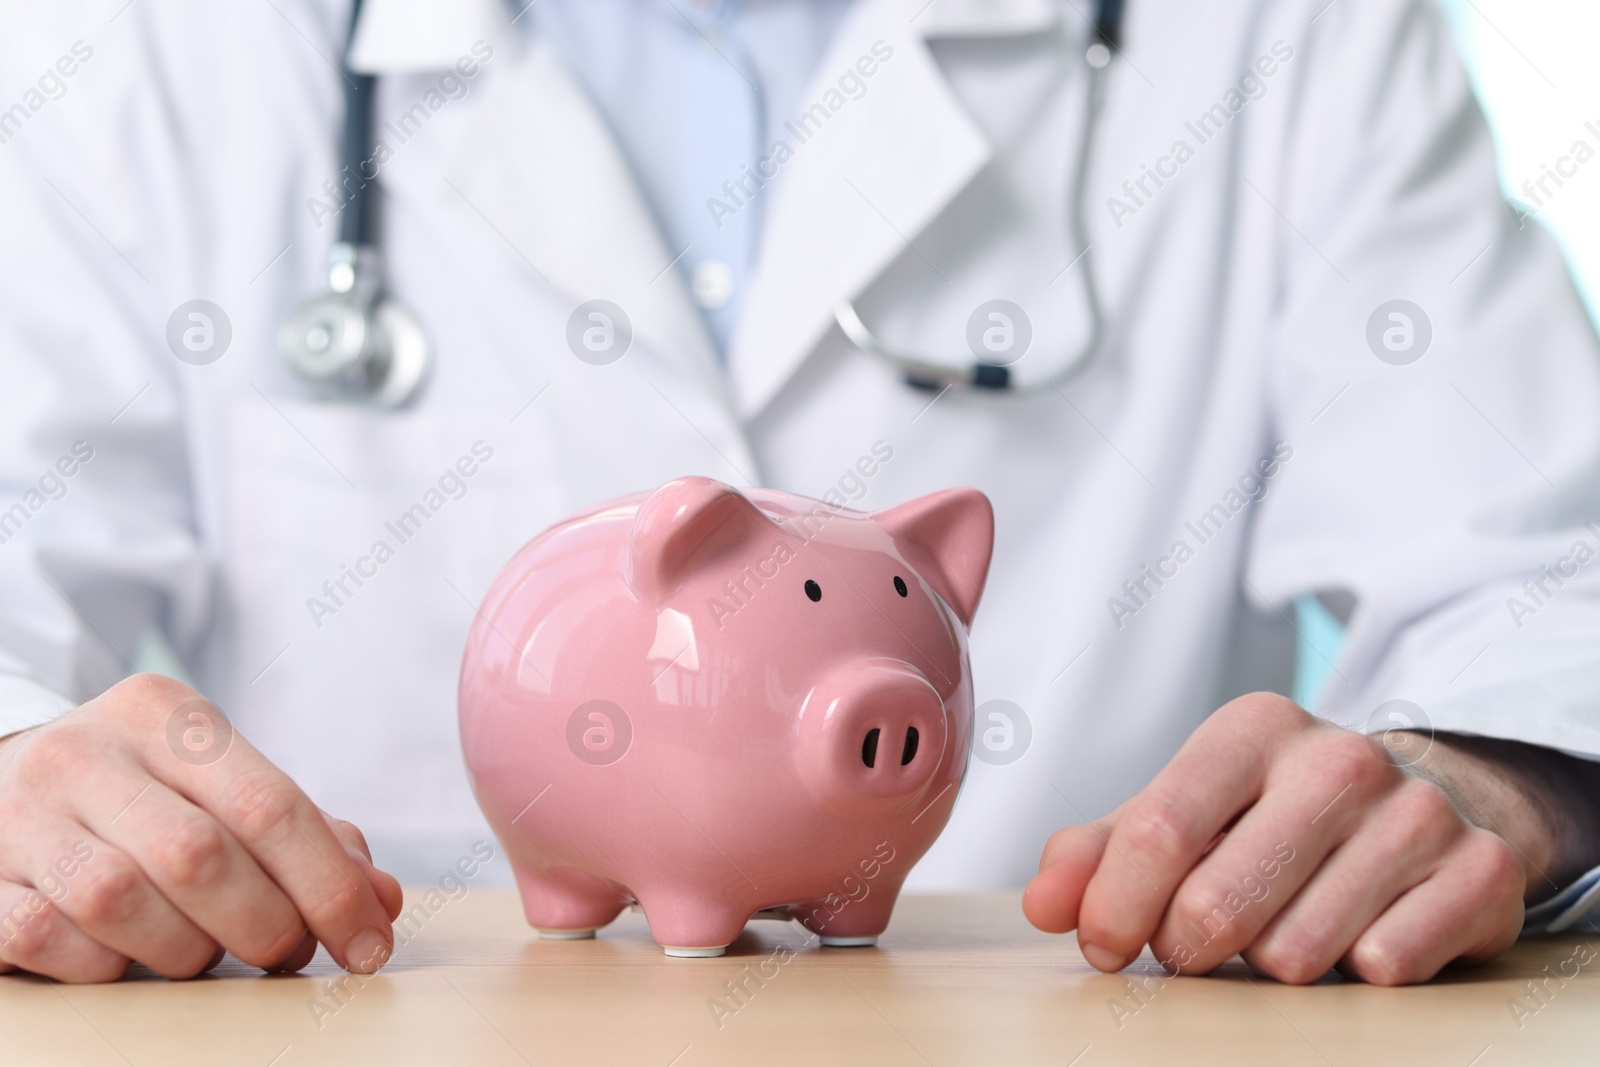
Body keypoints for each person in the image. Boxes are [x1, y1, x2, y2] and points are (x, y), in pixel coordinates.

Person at [2, 0, 1598, 986]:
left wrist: (1489, 779)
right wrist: (24, 774)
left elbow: (1541, 578)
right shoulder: (144, 38)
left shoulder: (1284, 28)